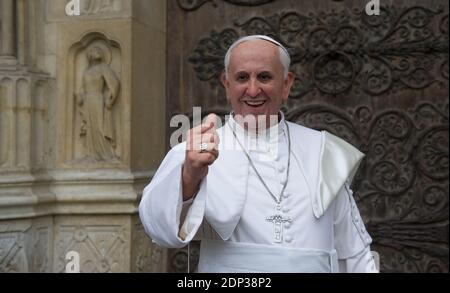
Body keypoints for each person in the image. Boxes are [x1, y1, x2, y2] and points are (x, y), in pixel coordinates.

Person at [139, 35, 378, 273]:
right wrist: (190, 177)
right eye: (242, 77)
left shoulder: (323, 151)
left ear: (286, 84)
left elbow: (353, 252)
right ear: (226, 85)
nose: (253, 90)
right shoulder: (195, 152)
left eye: (264, 77)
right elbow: (160, 232)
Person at [76, 45, 120, 161]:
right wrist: (80, 96)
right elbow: (82, 88)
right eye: (94, 50)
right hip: (87, 100)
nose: (97, 52)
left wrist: (111, 98)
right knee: (90, 128)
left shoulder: (103, 68)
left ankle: (105, 154)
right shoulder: (87, 71)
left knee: (99, 127)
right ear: (89, 55)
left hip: (97, 99)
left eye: (99, 50)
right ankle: (92, 154)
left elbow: (114, 83)